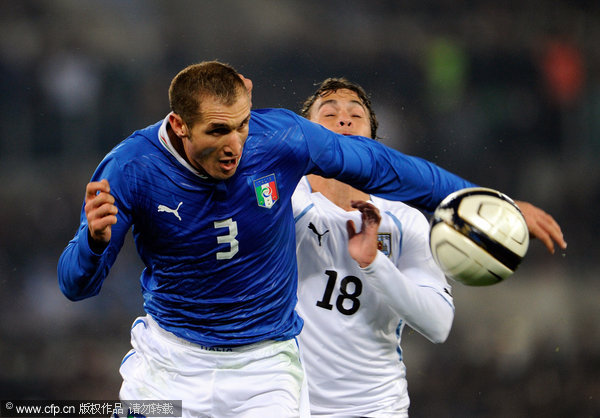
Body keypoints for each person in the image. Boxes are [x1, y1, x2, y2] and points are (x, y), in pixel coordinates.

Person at [57, 61, 481, 418]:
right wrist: (94, 243)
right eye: (219, 130)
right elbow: (75, 285)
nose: (234, 146)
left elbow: (382, 165)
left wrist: (479, 201)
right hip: (167, 366)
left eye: (242, 126)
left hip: (266, 374)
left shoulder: (281, 142)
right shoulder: (131, 167)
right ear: (179, 125)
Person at [292, 77, 566, 417]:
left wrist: (375, 265)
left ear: (374, 141)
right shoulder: (285, 204)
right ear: (305, 133)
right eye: (329, 114)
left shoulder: (404, 220)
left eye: (355, 114)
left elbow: (438, 324)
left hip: (376, 407)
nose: (343, 120)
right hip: (292, 405)